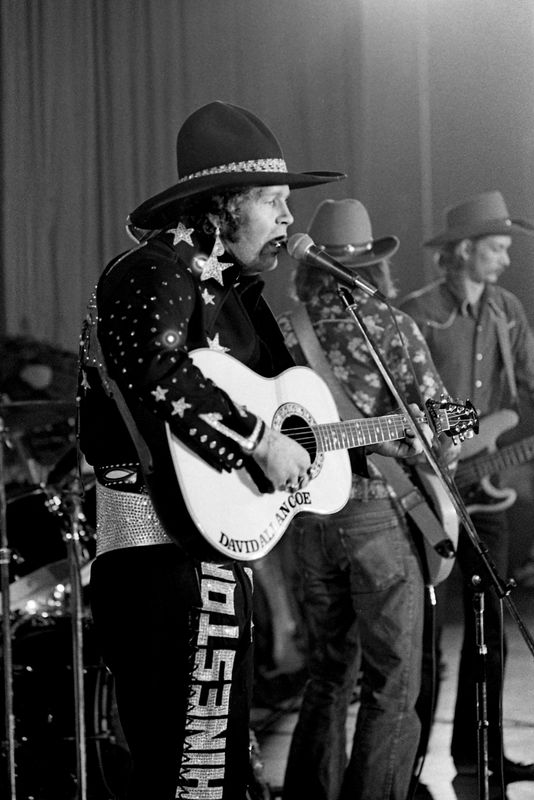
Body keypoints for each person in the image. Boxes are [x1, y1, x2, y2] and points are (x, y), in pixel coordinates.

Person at [77, 102, 428, 800]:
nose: (290, 218)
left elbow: (287, 405)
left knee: (221, 772)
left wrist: (350, 438)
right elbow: (156, 372)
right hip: (154, 555)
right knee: (187, 777)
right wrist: (259, 441)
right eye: (272, 201)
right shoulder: (151, 273)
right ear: (223, 204)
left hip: (207, 553)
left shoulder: (233, 295)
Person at [278, 198, 457, 800]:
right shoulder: (389, 327)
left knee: (329, 673)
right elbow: (437, 432)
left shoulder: (283, 329)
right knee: (394, 680)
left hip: (303, 519)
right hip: (375, 513)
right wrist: (431, 449)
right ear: (373, 267)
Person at [401, 189, 534, 786]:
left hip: (486, 491)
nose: (505, 259)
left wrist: (498, 424)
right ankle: (408, 760)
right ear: (462, 250)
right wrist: (479, 429)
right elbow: (414, 403)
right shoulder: (419, 312)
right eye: (497, 248)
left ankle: (477, 750)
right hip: (424, 489)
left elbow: (521, 391)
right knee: (424, 637)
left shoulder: (507, 310)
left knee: (492, 629)